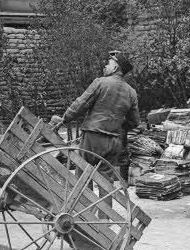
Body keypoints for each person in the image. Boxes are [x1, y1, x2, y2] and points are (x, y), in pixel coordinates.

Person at [49, 50, 141, 186]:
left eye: (108, 64)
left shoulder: (100, 83)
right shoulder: (131, 92)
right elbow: (134, 121)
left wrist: (65, 119)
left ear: (115, 67)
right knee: (106, 181)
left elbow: (81, 104)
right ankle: (104, 207)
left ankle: (87, 206)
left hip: (93, 137)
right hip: (114, 141)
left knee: (83, 174)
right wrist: (117, 127)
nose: (105, 66)